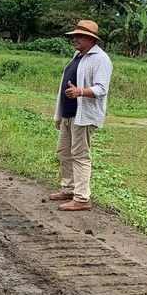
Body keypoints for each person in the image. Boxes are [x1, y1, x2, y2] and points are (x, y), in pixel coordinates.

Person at [50, 19, 113, 212]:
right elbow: (63, 88)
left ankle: (82, 198)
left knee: (80, 155)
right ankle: (69, 189)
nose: (75, 39)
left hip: (83, 115)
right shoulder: (77, 56)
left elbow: (101, 88)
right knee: (63, 152)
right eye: (75, 35)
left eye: (79, 36)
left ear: (91, 39)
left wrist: (80, 92)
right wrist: (59, 114)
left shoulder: (100, 59)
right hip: (69, 114)